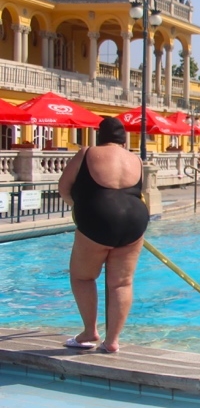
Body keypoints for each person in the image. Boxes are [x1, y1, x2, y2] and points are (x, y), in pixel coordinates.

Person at [58, 117, 149, 354]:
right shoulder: (136, 160)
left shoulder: (88, 152)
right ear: (124, 138)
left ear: (100, 135)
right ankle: (112, 341)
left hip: (98, 217)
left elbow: (64, 186)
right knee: (122, 282)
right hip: (135, 219)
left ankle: (90, 332)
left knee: (83, 277)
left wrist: (80, 208)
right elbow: (142, 191)